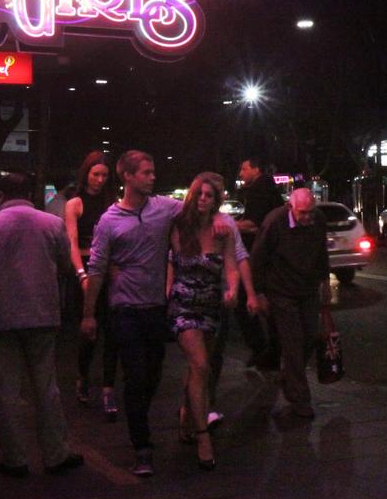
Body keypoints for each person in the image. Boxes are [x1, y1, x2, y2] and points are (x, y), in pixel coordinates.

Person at [81, 150, 248, 477]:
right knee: (136, 376)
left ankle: (180, 417)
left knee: (153, 375)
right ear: (126, 176)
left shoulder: (163, 208)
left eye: (152, 171)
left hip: (156, 307)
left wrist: (219, 220)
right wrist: (88, 314)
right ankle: (142, 446)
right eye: (145, 172)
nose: (152, 177)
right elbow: (97, 268)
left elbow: (199, 207)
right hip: (124, 308)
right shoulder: (109, 221)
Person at [0, 172, 83, 479]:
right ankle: (56, 455)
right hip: (42, 314)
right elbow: (65, 265)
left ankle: (14, 459)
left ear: (1, 194)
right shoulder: (52, 224)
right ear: (30, 193)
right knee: (46, 387)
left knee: (5, 391)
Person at [167, 172, 258, 470]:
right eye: (200, 194)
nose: (204, 199)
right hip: (184, 303)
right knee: (202, 365)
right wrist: (166, 292)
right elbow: (172, 261)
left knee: (199, 367)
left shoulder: (223, 230)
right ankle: (203, 435)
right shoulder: (181, 226)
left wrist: (234, 289)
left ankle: (186, 413)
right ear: (193, 197)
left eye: (210, 195)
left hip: (210, 306)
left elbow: (232, 265)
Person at [250, 188, 331, 419]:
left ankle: (290, 375)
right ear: (291, 208)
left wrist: (325, 280)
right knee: (293, 342)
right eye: (302, 213)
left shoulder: (318, 221)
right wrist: (258, 292)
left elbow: (321, 252)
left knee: (309, 337)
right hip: (281, 290)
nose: (307, 218)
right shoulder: (274, 222)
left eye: (310, 212)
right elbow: (258, 257)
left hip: (307, 288)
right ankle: (299, 398)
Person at [65, 151, 119, 419]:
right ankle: (83, 376)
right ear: (86, 173)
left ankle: (108, 387)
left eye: (104, 175)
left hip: (109, 270)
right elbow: (72, 243)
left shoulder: (113, 203)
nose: (99, 180)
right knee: (88, 330)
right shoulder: (75, 203)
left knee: (113, 331)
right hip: (86, 268)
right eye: (95, 174)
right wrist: (81, 275)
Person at [231, 157, 284, 369]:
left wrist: (228, 225)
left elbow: (254, 224)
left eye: (244, 169)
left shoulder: (258, 190)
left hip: (260, 257)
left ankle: (263, 349)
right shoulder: (268, 188)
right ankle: (271, 351)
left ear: (256, 169)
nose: (241, 173)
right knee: (266, 304)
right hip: (270, 257)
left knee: (245, 301)